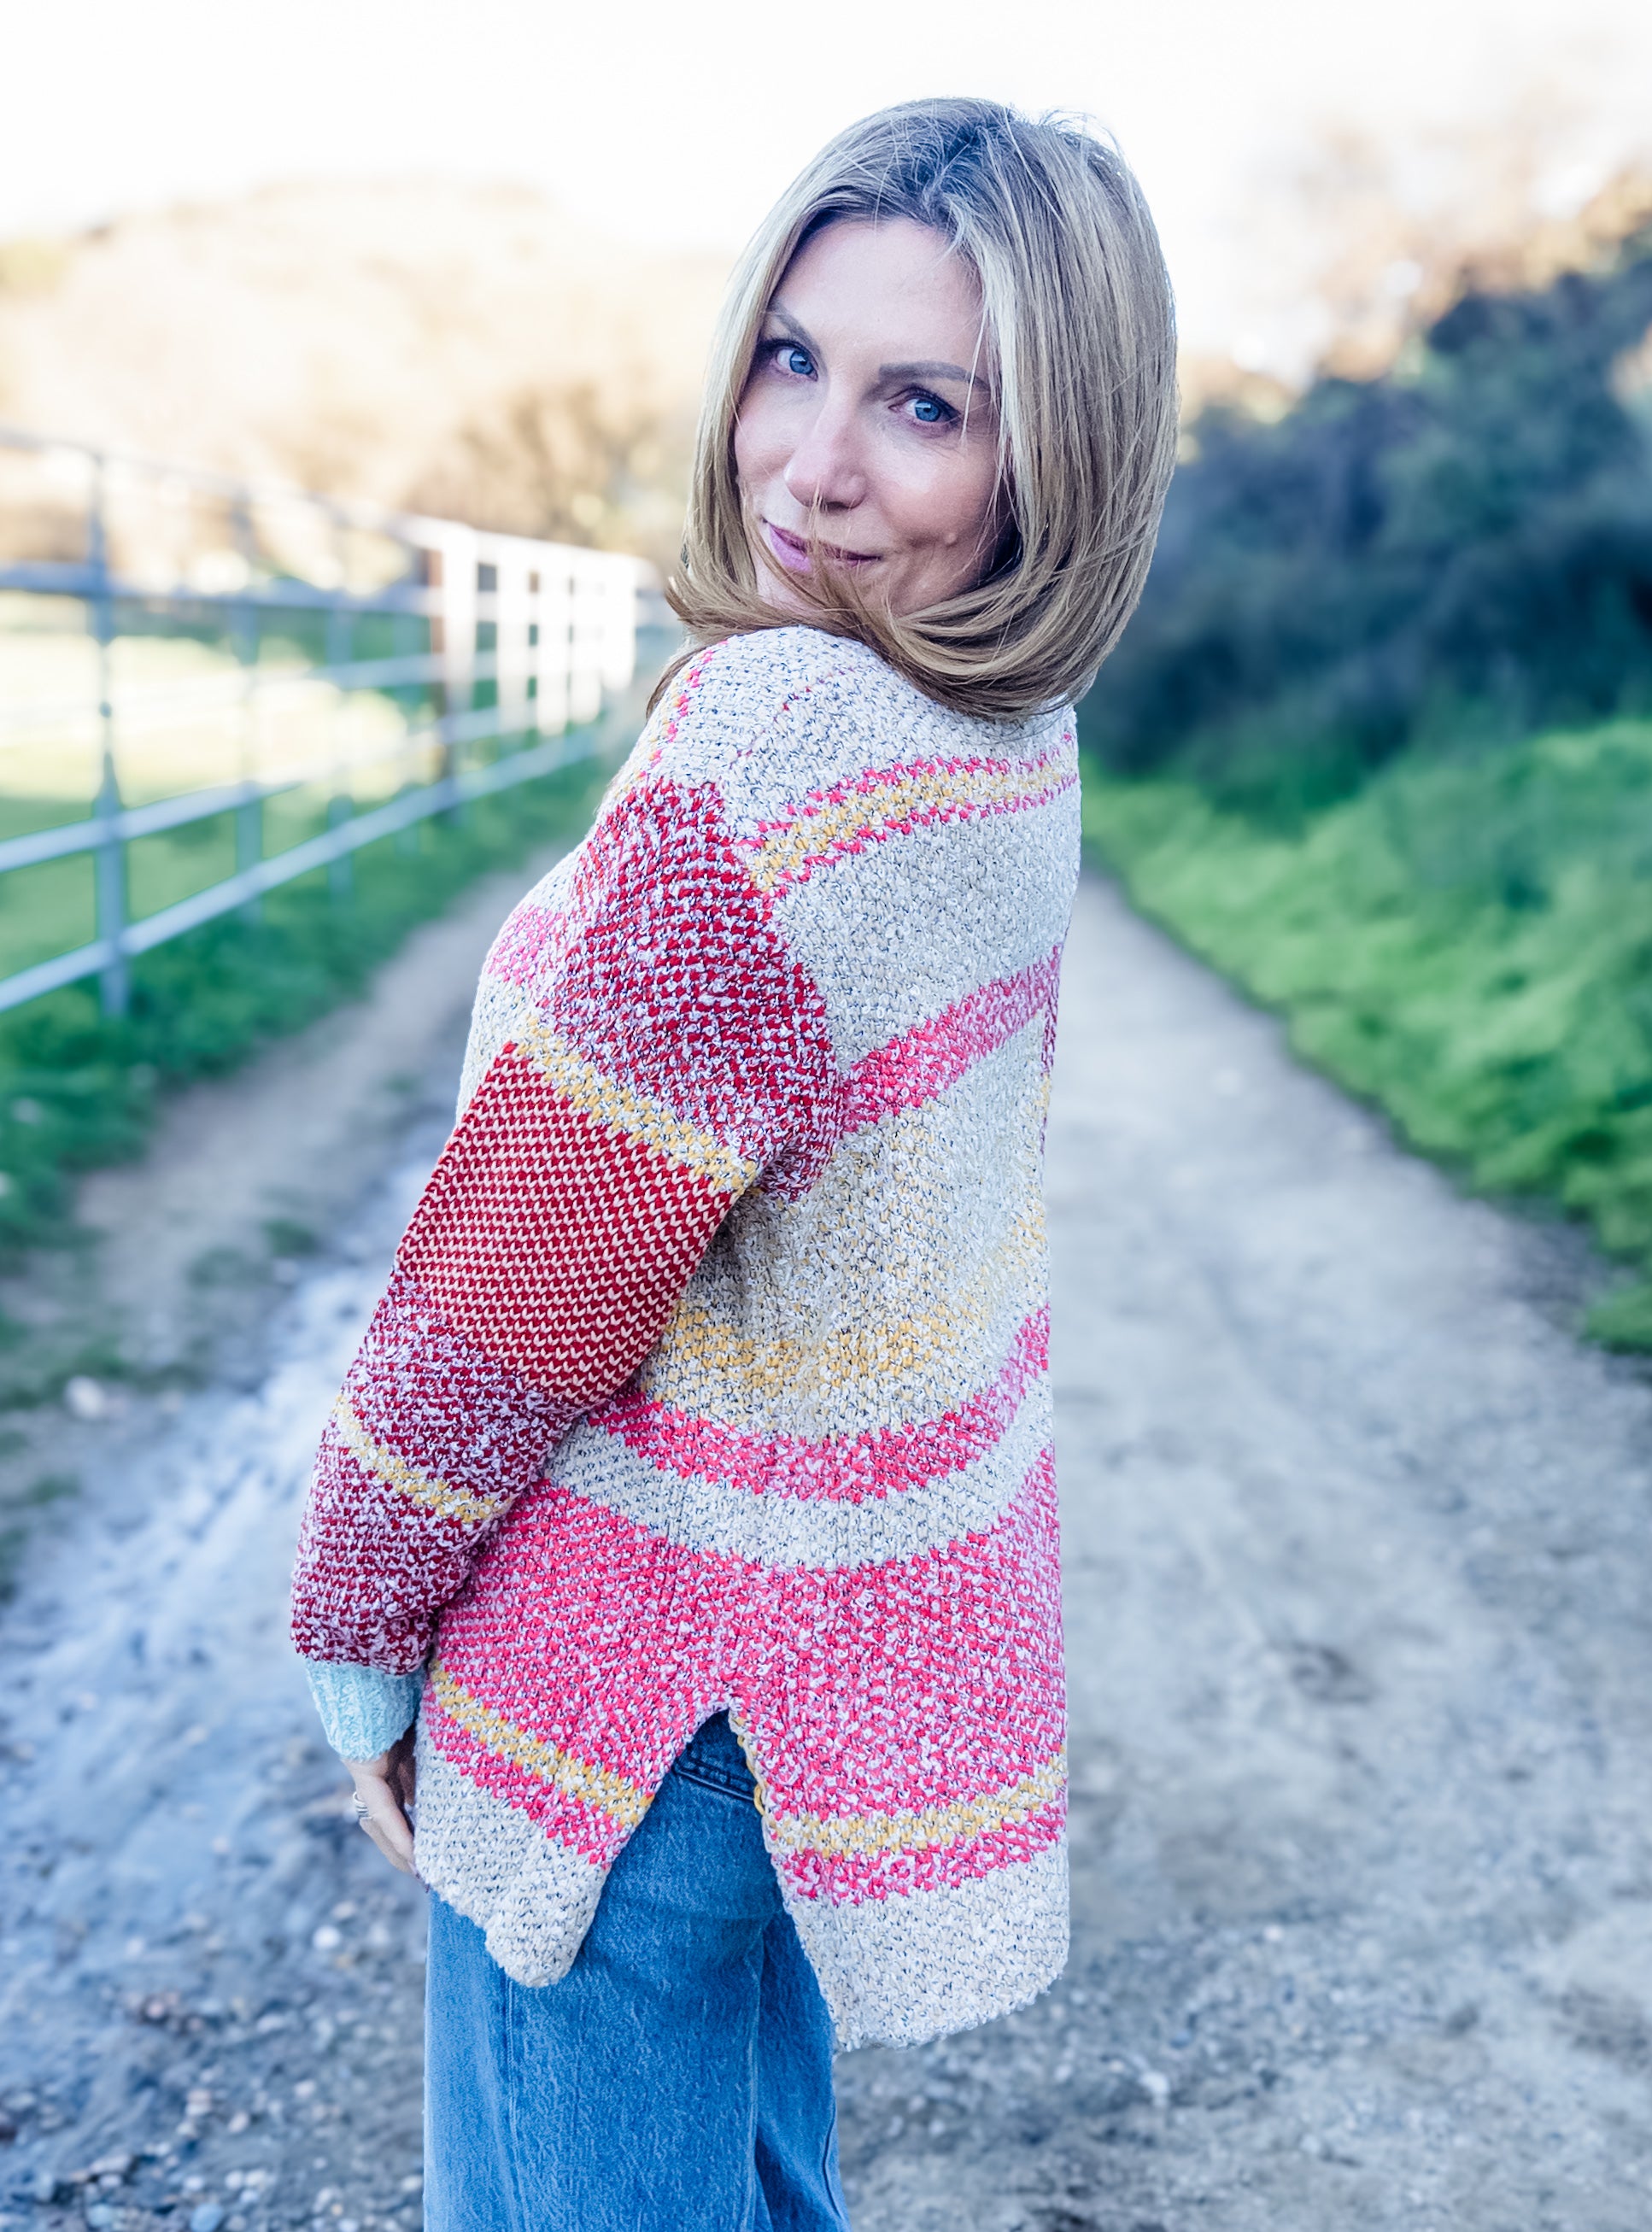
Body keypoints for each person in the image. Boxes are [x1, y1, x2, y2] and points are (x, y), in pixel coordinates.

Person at [290, 96, 1176, 2232]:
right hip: (785, 1703)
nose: (809, 461)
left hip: (613, 1696)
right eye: (790, 358)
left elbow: (521, 1276)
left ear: (1049, 464)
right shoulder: (996, 742)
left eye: (920, 405)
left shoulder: (780, 741)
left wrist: (355, 1621)